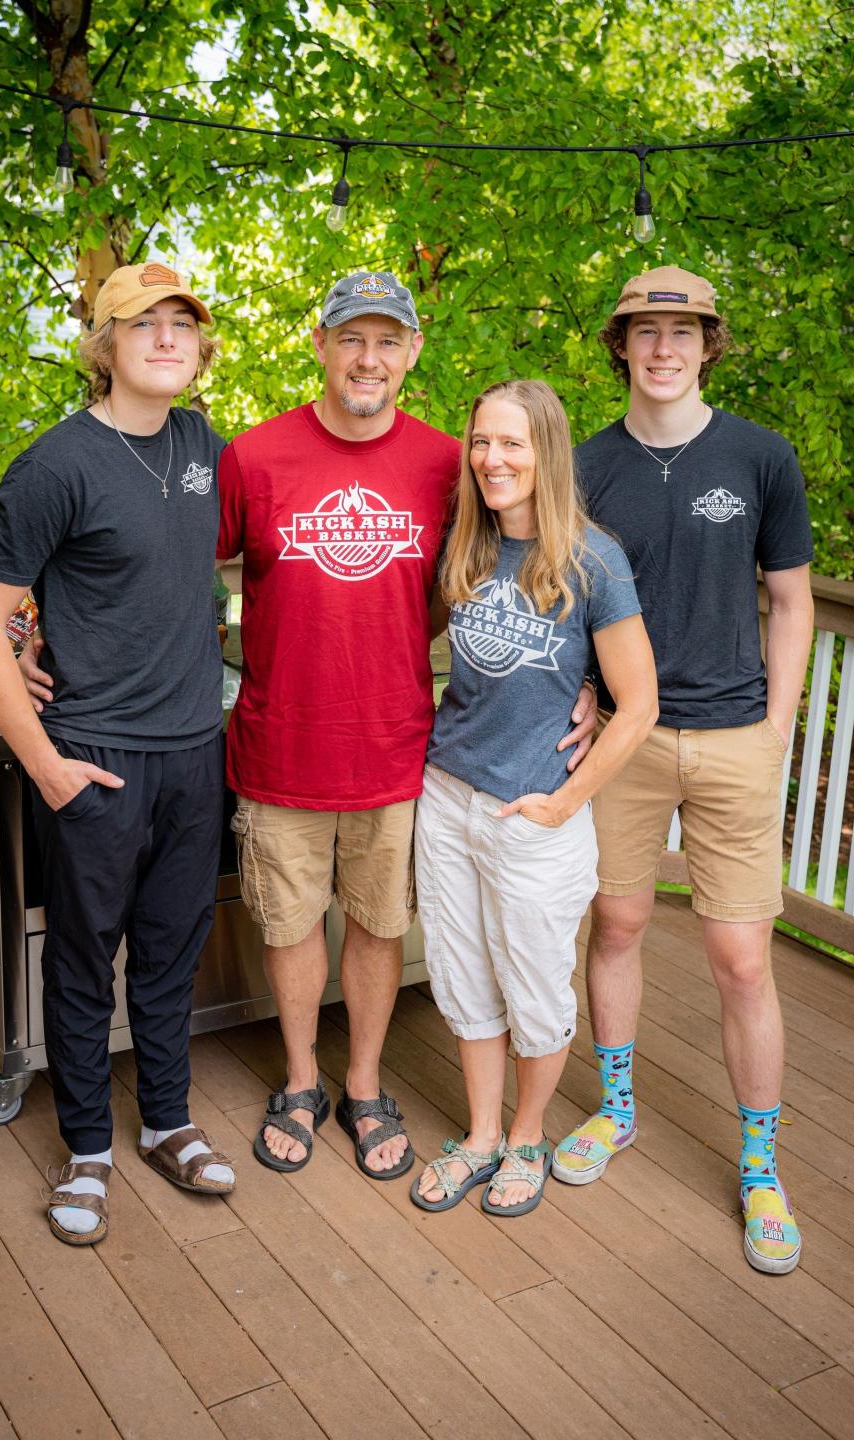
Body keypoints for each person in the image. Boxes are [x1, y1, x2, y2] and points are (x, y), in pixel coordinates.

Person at [215, 273, 599, 1179]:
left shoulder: (445, 464)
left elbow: (528, 565)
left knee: (380, 926)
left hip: (396, 749)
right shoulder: (254, 457)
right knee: (289, 925)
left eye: (388, 341)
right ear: (320, 344)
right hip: (281, 742)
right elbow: (167, 566)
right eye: (352, 339)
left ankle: (362, 1084)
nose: (369, 358)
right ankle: (301, 1080)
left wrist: (593, 685)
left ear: (413, 354)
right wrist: (43, 627)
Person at [0, 262, 236, 1246]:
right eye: (141, 324)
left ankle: (166, 1123)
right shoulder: (57, 465)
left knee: (170, 953)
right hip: (95, 759)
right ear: (104, 347)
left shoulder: (204, 446)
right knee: (84, 962)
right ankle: (85, 1152)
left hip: (195, 753)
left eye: (181, 324)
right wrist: (46, 762)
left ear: (199, 347)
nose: (165, 338)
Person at [553, 266, 815, 1275]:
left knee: (743, 961)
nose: (663, 347)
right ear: (619, 345)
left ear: (711, 344)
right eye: (645, 331)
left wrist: (778, 729)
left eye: (683, 331)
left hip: (737, 739)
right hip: (623, 739)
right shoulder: (583, 468)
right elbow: (561, 593)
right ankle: (616, 1110)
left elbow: (789, 601)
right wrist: (579, 682)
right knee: (615, 924)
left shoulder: (761, 457)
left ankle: (761, 1165)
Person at [410, 379, 657, 1216]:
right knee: (462, 974)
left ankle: (526, 1137)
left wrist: (563, 802)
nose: (492, 458)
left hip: (534, 816)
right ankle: (480, 1138)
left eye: (512, 443)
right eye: (481, 441)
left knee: (535, 988)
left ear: (546, 451)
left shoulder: (593, 559)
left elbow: (640, 704)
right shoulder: (468, 549)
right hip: (447, 796)